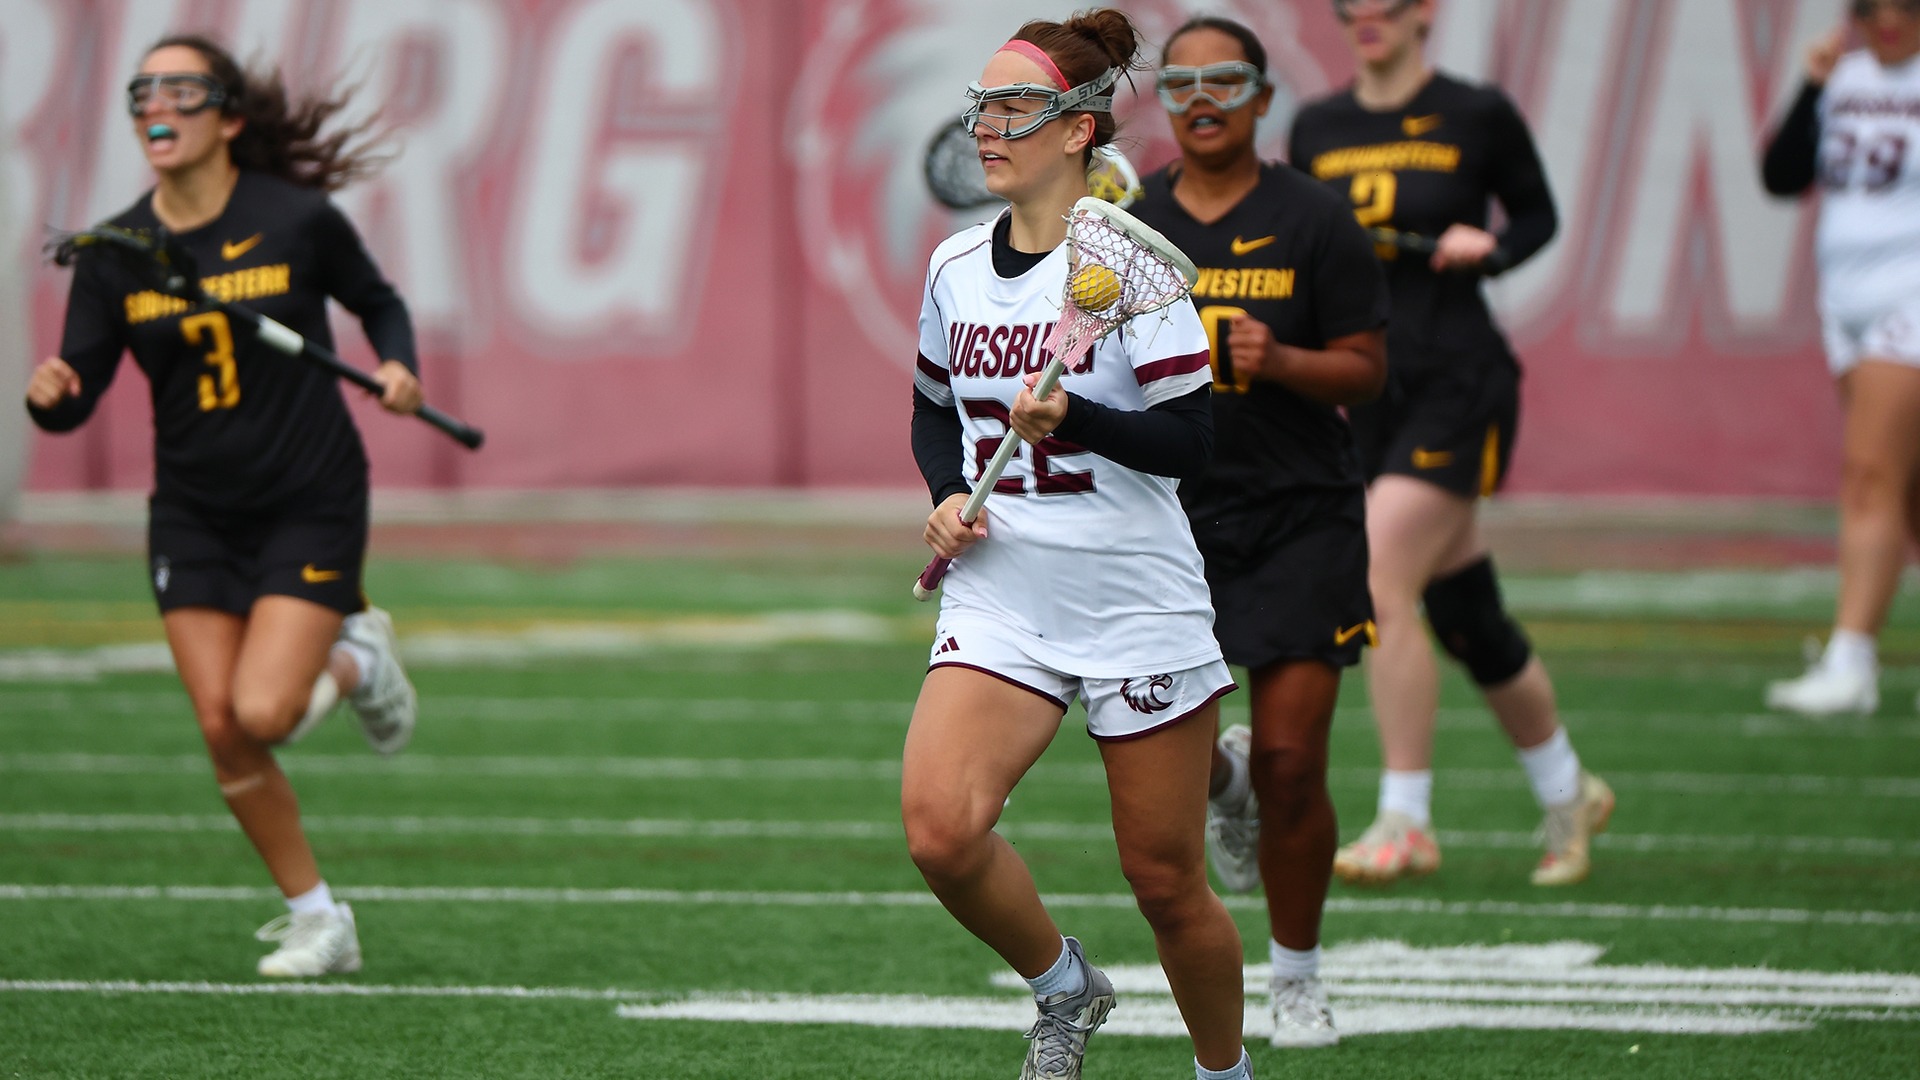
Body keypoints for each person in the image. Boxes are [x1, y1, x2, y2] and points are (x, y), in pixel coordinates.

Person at [904, 10, 1253, 1079]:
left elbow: (1192, 443)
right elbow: (930, 407)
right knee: (940, 831)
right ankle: (1066, 987)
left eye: (1015, 108)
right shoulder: (956, 265)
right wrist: (950, 489)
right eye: (982, 106)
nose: (988, 127)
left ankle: (1224, 1072)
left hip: (1133, 601)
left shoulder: (1131, 274)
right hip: (1002, 592)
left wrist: (1077, 421)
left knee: (1165, 885)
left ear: (1077, 131)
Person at [25, 34, 420, 976]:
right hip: (195, 512)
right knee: (219, 727)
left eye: (181, 88)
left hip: (308, 496)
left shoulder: (295, 221)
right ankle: (319, 917)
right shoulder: (118, 253)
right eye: (141, 90)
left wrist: (399, 365)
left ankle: (360, 660)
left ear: (229, 119)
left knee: (266, 712)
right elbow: (79, 392)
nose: (155, 106)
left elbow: (379, 301)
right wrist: (53, 396)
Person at [1287, 0, 1613, 887]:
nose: (1364, 19)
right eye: (1348, 7)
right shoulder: (1318, 125)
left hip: (1458, 380)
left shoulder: (1476, 113)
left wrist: (1492, 249)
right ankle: (1568, 789)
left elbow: (1537, 218)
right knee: (1467, 618)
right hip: (1370, 389)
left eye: (1382, 5)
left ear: (1422, 12)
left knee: (1378, 576)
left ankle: (1406, 819)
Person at [1128, 15, 1387, 1048]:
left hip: (1299, 514)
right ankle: (1222, 782)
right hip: (1168, 522)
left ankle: (1296, 977)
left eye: (1225, 80)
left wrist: (1276, 359)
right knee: (1175, 773)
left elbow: (1367, 371)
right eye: (1181, 82)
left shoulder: (1316, 218)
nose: (1201, 99)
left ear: (1263, 97)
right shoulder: (1126, 224)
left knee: (1293, 763)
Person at [1761, 0, 1920, 717]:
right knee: (1906, 489)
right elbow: (1782, 175)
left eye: (1906, 8)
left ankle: (1851, 659)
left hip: (1909, 292)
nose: (1888, 22)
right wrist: (1811, 86)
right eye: (1871, 8)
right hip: (1846, 301)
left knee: (1868, 475)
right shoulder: (1846, 75)